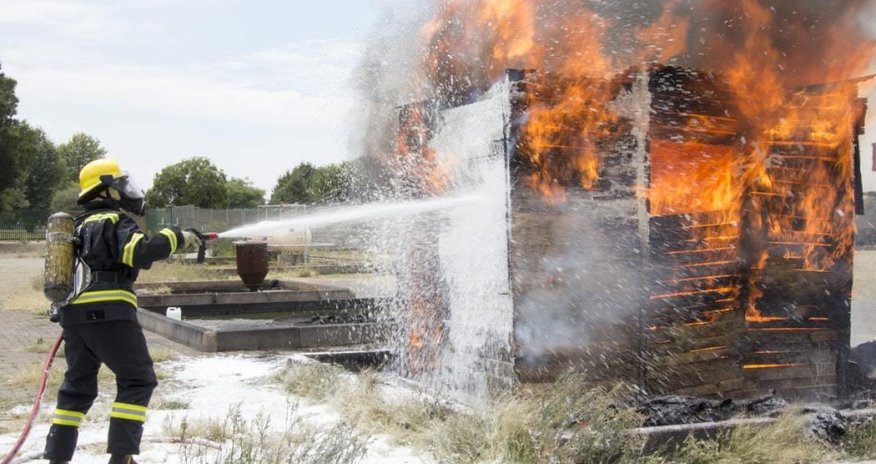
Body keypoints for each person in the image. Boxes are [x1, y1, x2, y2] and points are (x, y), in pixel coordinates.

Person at [43, 159, 201, 464]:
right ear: (106, 189)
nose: (125, 191)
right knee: (137, 380)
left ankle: (56, 458)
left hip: (74, 319)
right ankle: (122, 458)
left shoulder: (76, 227)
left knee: (76, 388)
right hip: (111, 314)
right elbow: (139, 253)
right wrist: (175, 236)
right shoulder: (113, 221)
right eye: (119, 185)